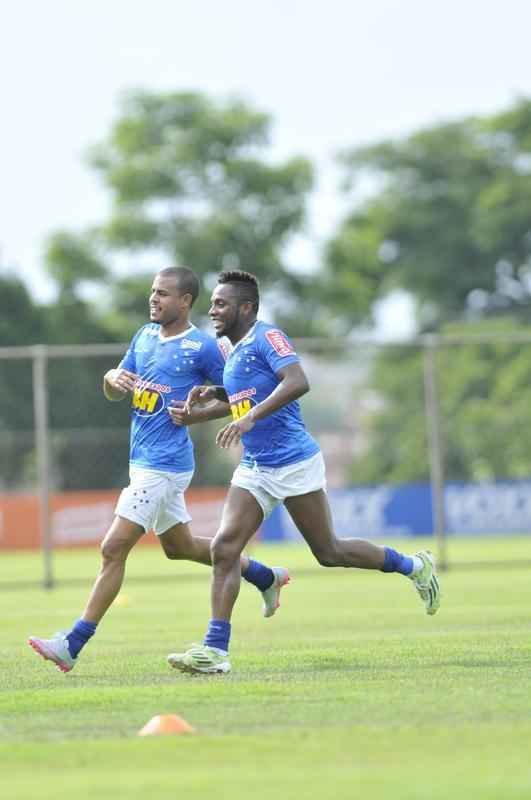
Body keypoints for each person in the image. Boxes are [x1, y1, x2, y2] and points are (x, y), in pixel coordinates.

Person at [167, 269, 441, 675]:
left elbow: (297, 381)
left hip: (294, 461)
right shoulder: (233, 349)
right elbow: (242, 399)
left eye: (221, 303)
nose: (213, 309)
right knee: (225, 548)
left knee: (330, 552)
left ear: (246, 308)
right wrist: (202, 407)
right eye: (213, 303)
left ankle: (415, 566)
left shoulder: (267, 336)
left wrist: (248, 418)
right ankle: (215, 651)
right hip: (256, 466)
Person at [28, 267, 289, 673]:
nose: (154, 299)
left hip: (165, 467)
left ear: (185, 302)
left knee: (112, 548)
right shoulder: (144, 336)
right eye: (153, 292)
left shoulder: (203, 347)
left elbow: (241, 392)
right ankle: (264, 575)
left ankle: (72, 644)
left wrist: (198, 413)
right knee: (179, 547)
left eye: (163, 294)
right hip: (142, 464)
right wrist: (111, 377)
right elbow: (116, 388)